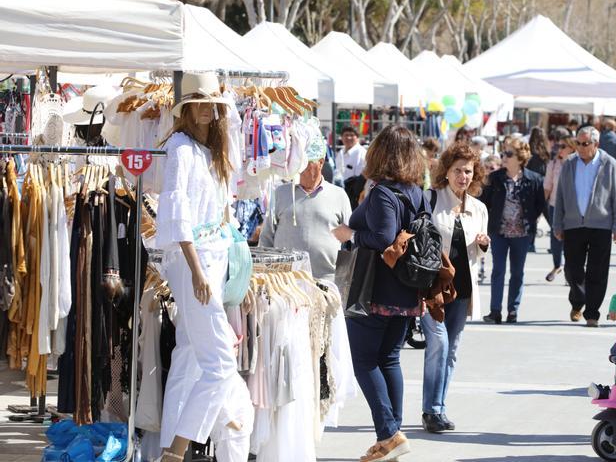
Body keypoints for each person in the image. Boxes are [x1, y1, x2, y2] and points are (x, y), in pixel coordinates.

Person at [155, 73, 253, 462]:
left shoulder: (208, 149)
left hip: (213, 256)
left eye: (215, 105)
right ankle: (176, 451)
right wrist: (196, 271)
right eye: (205, 103)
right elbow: (177, 210)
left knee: (189, 357)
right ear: (189, 108)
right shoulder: (179, 147)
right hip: (193, 259)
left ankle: (169, 446)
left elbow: (221, 210)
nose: (212, 110)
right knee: (219, 363)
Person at [330, 125, 425, 461]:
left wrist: (350, 234)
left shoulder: (384, 192)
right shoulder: (415, 191)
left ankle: (388, 432)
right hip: (406, 289)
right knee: (389, 359)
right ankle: (392, 437)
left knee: (364, 360)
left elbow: (384, 237)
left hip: (376, 290)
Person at [421, 143, 490, 433]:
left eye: (468, 171)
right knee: (439, 344)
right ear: (446, 171)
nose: (463, 176)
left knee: (451, 350)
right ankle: (432, 410)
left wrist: (484, 245)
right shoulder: (431, 199)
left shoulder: (479, 208)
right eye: (458, 170)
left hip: (463, 290)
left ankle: (439, 407)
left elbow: (481, 249)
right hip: (433, 288)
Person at [553, 127, 616, 327]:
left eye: (585, 144)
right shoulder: (569, 164)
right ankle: (578, 301)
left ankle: (592, 312)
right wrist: (557, 224)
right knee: (572, 270)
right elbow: (559, 196)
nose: (580, 147)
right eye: (578, 143)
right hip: (573, 224)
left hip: (601, 225)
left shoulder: (609, 164)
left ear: (596, 144)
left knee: (597, 271)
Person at [259, 132, 351, 280]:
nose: (301, 168)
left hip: (327, 279)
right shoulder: (281, 193)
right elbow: (267, 236)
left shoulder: (338, 195)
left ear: (321, 163)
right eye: (299, 162)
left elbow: (350, 238)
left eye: (307, 163)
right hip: (285, 279)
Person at [480, 137, 546, 324]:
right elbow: (483, 203)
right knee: (498, 270)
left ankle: (513, 311)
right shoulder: (495, 178)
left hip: (522, 234)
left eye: (509, 154)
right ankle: (495, 311)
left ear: (520, 157)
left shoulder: (534, 179)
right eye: (503, 153)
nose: (504, 157)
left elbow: (541, 204)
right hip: (498, 232)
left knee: (517, 273)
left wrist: (537, 220)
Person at [543, 135, 576, 281]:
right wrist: (540, 208)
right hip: (555, 206)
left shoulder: (578, 164)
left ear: (571, 148)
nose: (560, 150)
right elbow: (547, 187)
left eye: (563, 146)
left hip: (573, 208)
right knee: (556, 238)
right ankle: (557, 265)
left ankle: (570, 270)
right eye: (558, 147)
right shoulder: (553, 164)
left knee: (571, 240)